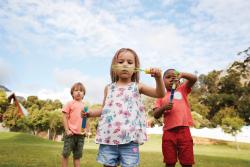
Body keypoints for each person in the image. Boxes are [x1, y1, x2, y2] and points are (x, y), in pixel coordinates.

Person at [85, 48, 165, 167]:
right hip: (109, 138)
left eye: (129, 62)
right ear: (114, 66)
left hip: (130, 140)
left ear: (135, 67)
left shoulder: (137, 87)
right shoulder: (108, 88)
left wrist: (158, 78)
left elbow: (160, 94)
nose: (125, 65)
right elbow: (105, 109)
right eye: (121, 62)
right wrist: (90, 114)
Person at [153, 69, 197, 167]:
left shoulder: (182, 89)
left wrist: (182, 74)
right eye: (168, 77)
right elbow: (155, 114)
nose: (172, 79)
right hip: (169, 133)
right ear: (162, 81)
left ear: (179, 80)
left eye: (174, 77)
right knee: (170, 162)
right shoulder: (161, 96)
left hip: (184, 131)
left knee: (187, 162)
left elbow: (194, 79)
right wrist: (163, 107)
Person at [61, 82, 86, 167]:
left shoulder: (85, 106)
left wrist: (85, 130)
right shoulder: (70, 103)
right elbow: (64, 117)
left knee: (77, 156)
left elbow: (85, 120)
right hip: (70, 134)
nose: (79, 92)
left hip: (80, 136)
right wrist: (67, 130)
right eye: (76, 90)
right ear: (72, 93)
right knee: (65, 154)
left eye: (81, 91)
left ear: (83, 94)